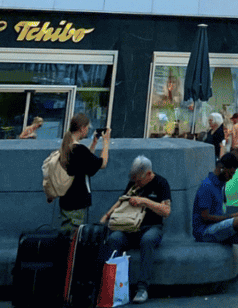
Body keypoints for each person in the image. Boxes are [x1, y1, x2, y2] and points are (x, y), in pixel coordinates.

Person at [101, 154, 171, 305]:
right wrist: (107, 215)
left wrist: (145, 201)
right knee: (114, 239)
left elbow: (166, 211)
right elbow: (121, 201)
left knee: (148, 240)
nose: (137, 184)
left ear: (148, 174)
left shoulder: (161, 183)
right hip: (130, 228)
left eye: (139, 180)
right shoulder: (133, 185)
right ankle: (110, 285)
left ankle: (142, 287)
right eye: (135, 181)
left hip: (152, 227)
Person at [192, 153, 238, 295]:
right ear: (222, 168)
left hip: (216, 225)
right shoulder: (207, 186)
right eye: (230, 173)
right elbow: (205, 217)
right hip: (204, 231)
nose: (231, 177)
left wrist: (230, 217)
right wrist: (231, 217)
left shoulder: (220, 185)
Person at [58, 112, 110, 233]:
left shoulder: (68, 147)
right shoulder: (79, 150)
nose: (87, 131)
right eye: (87, 128)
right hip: (76, 202)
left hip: (67, 200)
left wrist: (94, 143)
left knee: (67, 234)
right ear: (82, 128)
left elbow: (86, 164)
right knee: (72, 238)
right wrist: (106, 142)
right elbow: (102, 163)